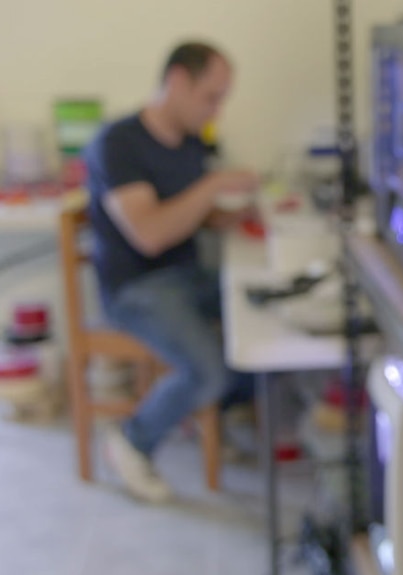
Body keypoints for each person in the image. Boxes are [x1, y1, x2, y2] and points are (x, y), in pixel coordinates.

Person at [84, 41, 258, 503]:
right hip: (136, 291)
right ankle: (131, 441)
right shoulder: (117, 143)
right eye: (211, 97)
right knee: (209, 370)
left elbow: (189, 215)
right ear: (178, 81)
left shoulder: (191, 142)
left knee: (263, 319)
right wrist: (214, 185)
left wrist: (234, 212)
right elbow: (150, 234)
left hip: (186, 278)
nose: (216, 109)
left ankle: (197, 413)